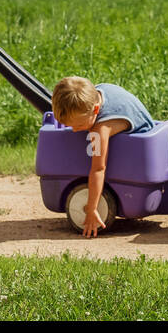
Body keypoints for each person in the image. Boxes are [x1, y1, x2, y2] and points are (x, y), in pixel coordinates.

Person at [51, 76, 154, 238]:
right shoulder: (97, 92)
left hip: (138, 144)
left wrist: (91, 208)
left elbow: (98, 168)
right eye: (69, 126)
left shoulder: (99, 130)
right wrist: (81, 124)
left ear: (96, 110)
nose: (76, 130)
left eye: (78, 125)